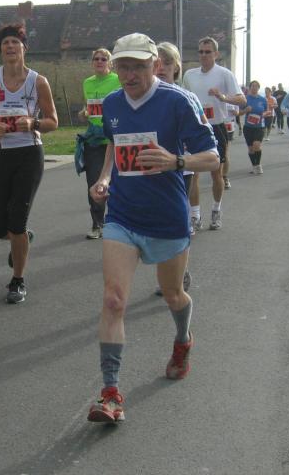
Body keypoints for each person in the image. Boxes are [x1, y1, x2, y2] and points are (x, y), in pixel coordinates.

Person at [86, 33, 219, 423]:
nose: (129, 75)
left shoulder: (179, 102)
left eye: (138, 67)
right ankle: (111, 393)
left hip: (166, 217)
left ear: (156, 66)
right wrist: (105, 178)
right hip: (123, 215)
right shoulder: (113, 103)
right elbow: (115, 145)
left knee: (173, 295)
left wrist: (176, 161)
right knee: (114, 300)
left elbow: (212, 157)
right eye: (123, 67)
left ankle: (183, 340)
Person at [0, 23, 59, 304]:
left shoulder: (38, 81)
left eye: (15, 43)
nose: (10, 47)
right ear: (0, 50)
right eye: (5, 43)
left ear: (24, 48)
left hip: (29, 154)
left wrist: (33, 123)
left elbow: (53, 121)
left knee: (17, 220)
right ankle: (20, 237)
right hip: (0, 154)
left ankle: (17, 280)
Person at [153, 41, 202, 295]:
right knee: (158, 223)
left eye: (167, 63)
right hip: (152, 171)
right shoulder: (143, 99)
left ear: (177, 67)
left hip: (181, 169)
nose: (161, 68)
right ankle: (169, 273)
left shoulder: (187, 98)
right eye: (157, 63)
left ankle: (180, 272)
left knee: (176, 223)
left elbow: (201, 137)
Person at [182, 36, 245, 231]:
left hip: (216, 127)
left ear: (216, 54)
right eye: (201, 51)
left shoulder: (224, 74)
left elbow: (242, 100)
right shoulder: (189, 75)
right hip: (195, 129)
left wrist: (222, 97)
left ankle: (216, 210)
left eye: (207, 52)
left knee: (216, 173)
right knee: (192, 173)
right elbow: (182, 99)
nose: (203, 55)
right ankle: (195, 216)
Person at [79, 48, 121, 239]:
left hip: (114, 138)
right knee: (94, 181)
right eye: (96, 59)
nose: (99, 61)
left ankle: (118, 220)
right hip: (95, 139)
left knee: (118, 181)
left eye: (104, 59)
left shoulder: (117, 80)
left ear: (110, 63)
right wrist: (84, 113)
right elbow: (88, 107)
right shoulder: (87, 83)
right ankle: (97, 224)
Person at [243, 80, 267, 174]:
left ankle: (258, 165)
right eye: (252, 86)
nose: (254, 87)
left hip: (259, 126)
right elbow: (239, 112)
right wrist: (245, 110)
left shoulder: (262, 99)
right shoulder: (245, 99)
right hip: (248, 127)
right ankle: (254, 166)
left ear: (258, 88)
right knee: (251, 149)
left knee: (256, 145)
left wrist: (264, 114)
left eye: (256, 86)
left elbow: (266, 111)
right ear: (250, 88)